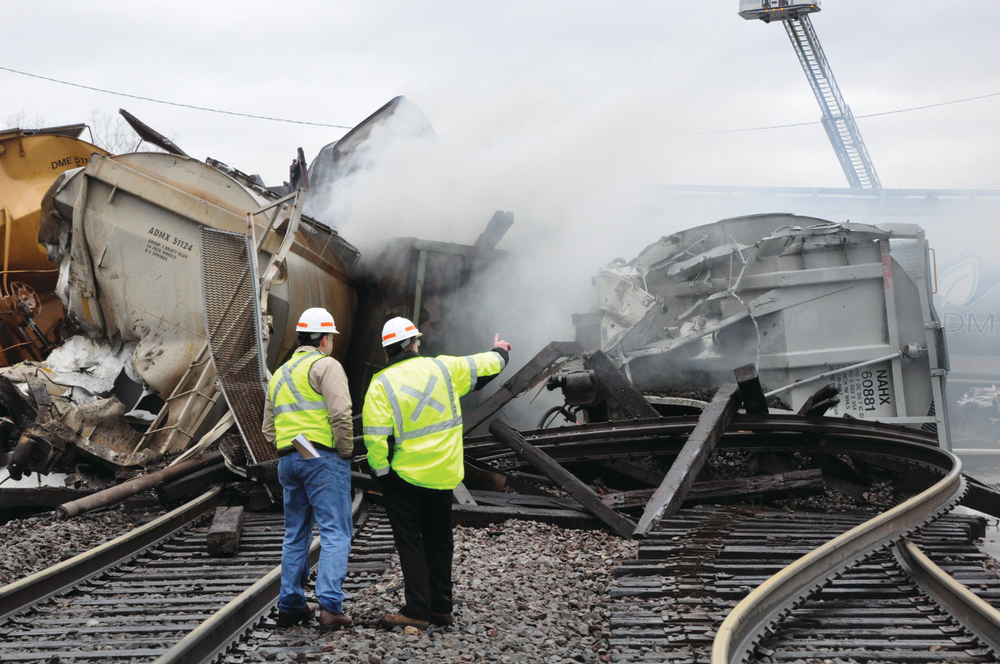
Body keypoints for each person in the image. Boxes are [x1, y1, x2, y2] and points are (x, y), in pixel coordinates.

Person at [362, 316, 511, 630]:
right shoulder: (443, 369)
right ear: (414, 343)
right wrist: (500, 351)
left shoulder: (380, 385)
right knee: (439, 541)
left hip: (404, 477)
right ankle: (441, 608)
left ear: (387, 351)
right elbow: (485, 366)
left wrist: (382, 474)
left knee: (410, 542)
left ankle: (417, 608)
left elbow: (375, 439)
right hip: (443, 475)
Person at [262, 307, 354, 632]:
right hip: (322, 458)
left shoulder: (280, 373)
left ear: (301, 337)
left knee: (296, 533)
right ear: (325, 340)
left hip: (289, 458)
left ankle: (290, 605)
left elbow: (268, 429)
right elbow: (341, 413)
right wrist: (345, 450)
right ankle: (329, 607)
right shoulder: (326, 365)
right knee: (335, 531)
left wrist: (295, 448)